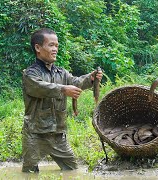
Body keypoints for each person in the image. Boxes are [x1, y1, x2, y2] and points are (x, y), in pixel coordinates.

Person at [21, 28, 103, 172]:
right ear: (38, 48)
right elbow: (40, 88)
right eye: (51, 45)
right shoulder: (30, 74)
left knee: (72, 170)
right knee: (30, 173)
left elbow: (76, 82)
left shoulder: (62, 72)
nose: (55, 49)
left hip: (58, 134)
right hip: (35, 134)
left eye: (57, 46)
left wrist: (90, 79)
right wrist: (63, 89)